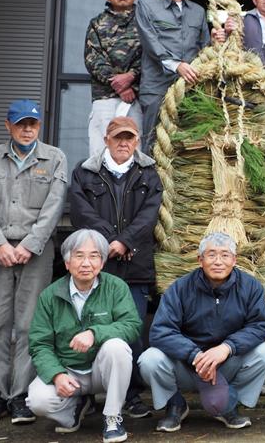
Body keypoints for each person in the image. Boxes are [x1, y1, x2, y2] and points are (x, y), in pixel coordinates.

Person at [0, 99, 68, 425]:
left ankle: (21, 397)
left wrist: (29, 244)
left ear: (39, 126)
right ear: (8, 126)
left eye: (33, 124)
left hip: (35, 254)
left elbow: (54, 207)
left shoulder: (55, 158)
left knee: (30, 327)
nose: (27, 129)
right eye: (20, 123)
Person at [68, 116, 163, 418]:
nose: (124, 143)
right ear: (106, 139)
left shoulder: (149, 173)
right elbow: (80, 211)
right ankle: (88, 396)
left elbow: (150, 215)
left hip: (134, 265)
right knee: (87, 328)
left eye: (130, 138)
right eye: (118, 137)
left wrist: (124, 242)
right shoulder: (85, 171)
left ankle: (131, 395)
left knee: (131, 330)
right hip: (95, 265)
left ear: (137, 142)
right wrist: (108, 242)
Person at [138, 232, 265, 433]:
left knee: (264, 353)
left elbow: (260, 325)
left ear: (234, 260)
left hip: (225, 363)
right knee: (149, 359)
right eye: (211, 255)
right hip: (187, 364)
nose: (218, 261)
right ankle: (174, 404)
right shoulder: (180, 288)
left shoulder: (250, 286)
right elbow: (160, 331)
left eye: (225, 255)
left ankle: (229, 403)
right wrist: (195, 355)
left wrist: (227, 347)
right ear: (200, 260)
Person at [26, 229, 142, 443]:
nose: (86, 263)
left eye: (94, 256)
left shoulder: (116, 287)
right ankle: (74, 407)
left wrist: (94, 333)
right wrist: (56, 374)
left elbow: (131, 325)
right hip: (69, 370)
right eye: (79, 256)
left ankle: (113, 415)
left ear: (103, 262)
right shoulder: (49, 296)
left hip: (101, 369)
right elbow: (39, 344)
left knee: (117, 346)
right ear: (67, 263)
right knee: (37, 401)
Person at [136, 0, 210, 152]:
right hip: (156, 86)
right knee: (151, 141)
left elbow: (205, 46)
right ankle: (149, 183)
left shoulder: (198, 11)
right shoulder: (146, 6)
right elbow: (150, 41)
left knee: (189, 143)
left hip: (190, 87)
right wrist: (176, 65)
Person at [85, 0, 143, 157]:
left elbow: (151, 56)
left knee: (135, 152)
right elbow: (92, 58)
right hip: (105, 98)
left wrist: (131, 78)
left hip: (136, 98)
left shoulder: (145, 22)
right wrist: (119, 85)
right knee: (100, 151)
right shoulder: (97, 23)